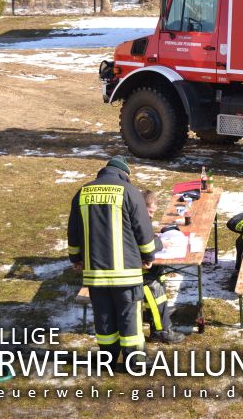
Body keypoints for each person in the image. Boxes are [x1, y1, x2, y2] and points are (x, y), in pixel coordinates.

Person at [68, 156, 158, 371]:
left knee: (104, 316)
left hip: (95, 274)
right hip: (126, 273)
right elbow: (143, 230)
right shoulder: (129, 192)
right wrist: (148, 257)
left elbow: (74, 230)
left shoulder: (83, 192)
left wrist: (76, 258)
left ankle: (107, 359)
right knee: (129, 318)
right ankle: (135, 361)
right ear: (124, 174)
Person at [140, 190, 184, 344]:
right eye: (150, 211)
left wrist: (154, 238)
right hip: (134, 269)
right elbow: (139, 242)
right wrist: (159, 243)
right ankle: (161, 330)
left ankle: (160, 312)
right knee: (153, 284)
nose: (151, 216)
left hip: (138, 262)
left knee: (159, 271)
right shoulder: (136, 217)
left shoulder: (138, 216)